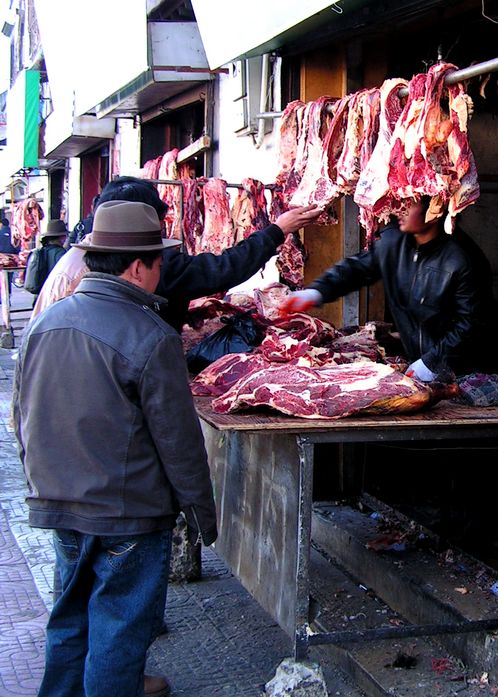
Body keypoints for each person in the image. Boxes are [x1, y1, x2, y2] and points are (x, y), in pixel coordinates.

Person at [13, 201, 218, 697]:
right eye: (159, 264)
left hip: (59, 505)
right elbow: (179, 441)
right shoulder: (151, 335)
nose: (161, 274)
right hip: (127, 515)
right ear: (137, 267)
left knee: (69, 620)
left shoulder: (45, 322)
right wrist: (202, 514)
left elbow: (20, 416)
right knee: (118, 632)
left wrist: (40, 483)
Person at [30, 176, 321, 329]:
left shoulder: (84, 254)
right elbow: (218, 271)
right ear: (137, 269)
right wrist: (277, 231)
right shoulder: (134, 265)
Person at [282, 196, 491, 380]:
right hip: (417, 365)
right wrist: (315, 292)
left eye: (409, 204)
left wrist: (432, 362)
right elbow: (356, 268)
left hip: (461, 373)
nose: (400, 209)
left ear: (434, 211)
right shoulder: (394, 242)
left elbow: (470, 323)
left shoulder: (463, 259)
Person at [23, 220, 69, 296]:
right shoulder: (60, 253)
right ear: (62, 237)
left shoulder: (42, 250)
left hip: (39, 294)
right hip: (52, 293)